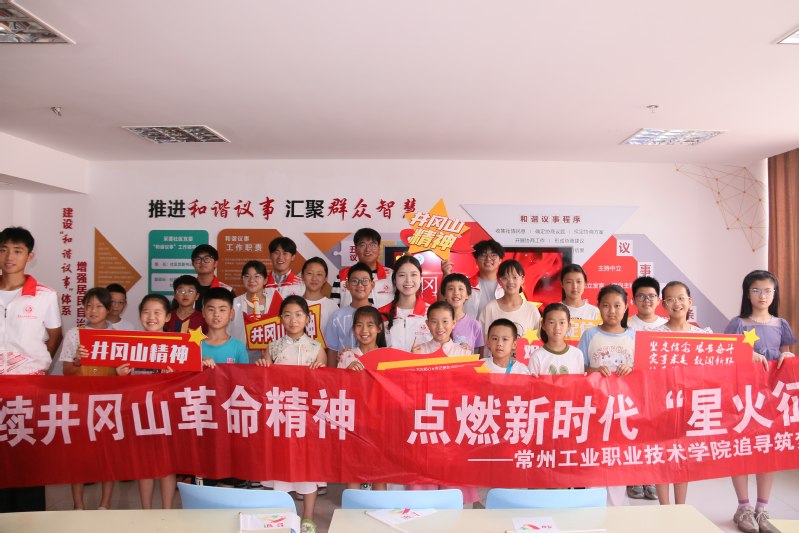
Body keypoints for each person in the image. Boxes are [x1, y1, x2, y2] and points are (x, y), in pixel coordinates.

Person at [724, 270, 796, 533]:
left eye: (768, 290)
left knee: (768, 451)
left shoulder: (781, 324)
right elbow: (726, 357)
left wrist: (787, 357)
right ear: (747, 293)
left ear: (775, 294)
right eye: (756, 290)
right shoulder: (738, 324)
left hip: (772, 399)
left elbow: (787, 355)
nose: (762, 296)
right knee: (741, 449)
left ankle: (762, 507)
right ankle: (743, 507)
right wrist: (746, 354)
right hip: (743, 398)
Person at [0, 227, 62, 513]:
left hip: (27, 387)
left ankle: (29, 517)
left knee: (26, 449)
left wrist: (38, 367)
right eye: (3, 249)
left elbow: (55, 335)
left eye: (17, 250)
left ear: (30, 256)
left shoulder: (44, 295)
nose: (9, 256)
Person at [256, 295, 325, 533]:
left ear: (307, 318)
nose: (293, 320)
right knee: (280, 464)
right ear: (280, 319)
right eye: (287, 315)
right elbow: (263, 383)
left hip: (307, 417)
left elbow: (325, 385)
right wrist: (262, 368)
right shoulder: (273, 347)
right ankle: (283, 515)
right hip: (280, 415)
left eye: (298, 315)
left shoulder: (316, 348)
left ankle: (308, 516)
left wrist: (321, 372)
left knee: (308, 467)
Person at [648, 281, 711, 505]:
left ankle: (680, 506)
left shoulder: (702, 335)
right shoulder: (653, 336)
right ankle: (664, 507)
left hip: (690, 406)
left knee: (682, 456)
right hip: (661, 406)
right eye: (671, 299)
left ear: (690, 302)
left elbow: (724, 360)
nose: (677, 303)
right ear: (663, 304)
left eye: (681, 298)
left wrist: (752, 355)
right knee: (663, 455)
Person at [59, 288, 121, 510]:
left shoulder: (118, 336)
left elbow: (121, 375)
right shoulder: (74, 334)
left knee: (107, 454)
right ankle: (78, 504)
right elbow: (66, 372)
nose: (93, 310)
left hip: (108, 402)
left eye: (99, 306)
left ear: (108, 309)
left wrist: (121, 372)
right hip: (80, 401)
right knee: (78, 454)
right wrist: (77, 362)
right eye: (88, 306)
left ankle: (105, 504)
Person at [577, 284, 635, 507]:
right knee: (595, 454)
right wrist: (594, 370)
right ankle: (592, 504)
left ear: (626, 307)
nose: (612, 311)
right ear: (598, 307)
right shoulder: (590, 335)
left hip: (624, 407)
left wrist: (631, 370)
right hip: (595, 405)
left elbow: (642, 373)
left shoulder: (633, 337)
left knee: (617, 456)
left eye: (617, 306)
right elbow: (579, 367)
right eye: (606, 305)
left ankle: (617, 506)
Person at [337, 305, 389, 492]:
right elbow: (337, 389)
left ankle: (379, 506)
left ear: (379, 328)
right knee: (353, 468)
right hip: (354, 421)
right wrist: (347, 373)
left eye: (370, 325)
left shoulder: (388, 356)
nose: (364, 330)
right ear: (353, 329)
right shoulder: (347, 356)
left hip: (380, 422)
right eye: (359, 325)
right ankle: (353, 506)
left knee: (380, 470)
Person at [133, 294, 177, 510]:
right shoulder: (131, 344)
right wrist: (122, 375)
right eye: (146, 312)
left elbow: (187, 379)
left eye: (157, 312)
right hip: (140, 411)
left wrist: (174, 375)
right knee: (145, 463)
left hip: (167, 412)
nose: (151, 317)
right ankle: (146, 510)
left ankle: (167, 510)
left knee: (167, 463)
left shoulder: (178, 345)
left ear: (167, 317)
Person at [324, 262, 374, 366]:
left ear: (372, 285)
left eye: (365, 281)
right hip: (344, 372)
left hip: (371, 372)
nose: (360, 285)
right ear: (347, 285)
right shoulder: (336, 317)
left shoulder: (378, 315)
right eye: (355, 281)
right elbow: (332, 351)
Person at [478, 259, 541, 341]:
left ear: (522, 279)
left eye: (515, 277)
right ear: (499, 281)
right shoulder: (490, 308)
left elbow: (538, 341)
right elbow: (481, 341)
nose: (510, 281)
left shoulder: (531, 309)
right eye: (505, 278)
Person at [331, 228, 394, 309]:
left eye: (372, 245)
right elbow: (334, 310)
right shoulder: (342, 276)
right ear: (355, 249)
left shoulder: (391, 276)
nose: (368, 250)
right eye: (362, 245)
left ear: (379, 249)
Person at [379, 255, 431, 352]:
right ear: (394, 280)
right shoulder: (381, 314)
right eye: (402, 275)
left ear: (420, 278)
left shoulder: (431, 313)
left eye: (413, 274)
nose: (408, 280)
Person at [230, 261, 269, 364]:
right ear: (242, 279)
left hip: (267, 361)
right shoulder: (234, 303)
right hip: (240, 360)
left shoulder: (275, 302)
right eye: (247, 276)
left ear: (265, 280)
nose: (252, 280)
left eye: (257, 276)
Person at [528, 303, 584, 376]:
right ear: (543, 325)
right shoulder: (537, 356)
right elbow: (532, 382)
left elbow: (579, 381)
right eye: (552, 322)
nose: (557, 327)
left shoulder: (577, 354)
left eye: (562, 323)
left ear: (568, 326)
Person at [441, 273, 484, 353]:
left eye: (460, 289)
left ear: (468, 295)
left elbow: (480, 355)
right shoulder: (438, 323)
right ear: (444, 295)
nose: (456, 293)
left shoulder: (475, 325)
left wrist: (469, 351)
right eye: (451, 289)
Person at [463, 239, 505, 319]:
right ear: (476, 260)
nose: (488, 258)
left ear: (500, 260)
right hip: (472, 327)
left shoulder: (507, 285)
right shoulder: (465, 285)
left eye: (493, 255)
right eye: (483, 255)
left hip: (501, 327)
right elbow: (447, 306)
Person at [301, 257, 338, 345]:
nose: (314, 278)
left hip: (323, 352)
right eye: (310, 273)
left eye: (319, 274)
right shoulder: (293, 304)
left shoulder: (332, 306)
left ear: (325, 279)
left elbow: (335, 338)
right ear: (302, 276)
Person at [191, 244, 233, 311]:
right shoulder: (186, 290)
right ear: (193, 264)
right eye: (198, 259)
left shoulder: (227, 290)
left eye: (207, 259)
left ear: (215, 263)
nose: (202, 262)